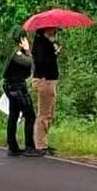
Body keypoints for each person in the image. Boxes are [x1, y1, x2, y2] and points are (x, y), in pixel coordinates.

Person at [2, 27, 40, 157]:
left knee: (14, 115)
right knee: (29, 115)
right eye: (26, 38)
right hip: (16, 88)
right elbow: (29, 63)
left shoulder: (17, 52)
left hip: (15, 86)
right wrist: (28, 50)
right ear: (22, 39)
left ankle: (12, 146)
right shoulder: (17, 54)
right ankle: (29, 146)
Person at [31, 27, 62, 155]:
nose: (55, 32)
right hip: (45, 80)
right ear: (47, 30)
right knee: (43, 114)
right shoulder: (41, 44)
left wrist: (55, 52)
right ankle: (40, 145)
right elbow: (41, 62)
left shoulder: (46, 43)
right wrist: (54, 54)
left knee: (49, 114)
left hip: (49, 80)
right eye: (53, 30)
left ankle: (43, 143)